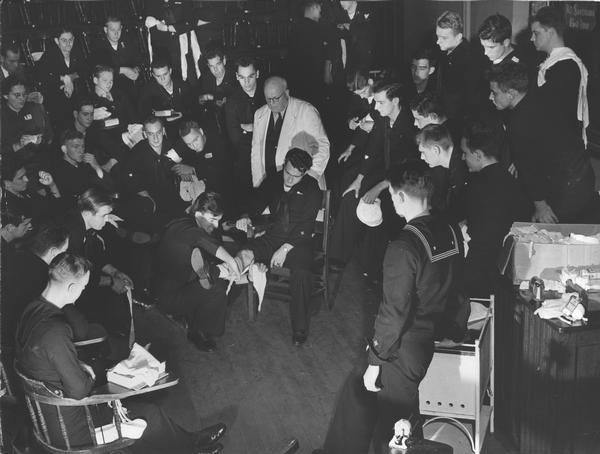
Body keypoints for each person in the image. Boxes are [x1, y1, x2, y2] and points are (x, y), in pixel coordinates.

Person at [314, 160, 467, 454]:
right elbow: (458, 287)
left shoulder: (403, 246)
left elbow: (393, 312)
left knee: (394, 430)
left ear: (398, 198)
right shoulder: (448, 228)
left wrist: (375, 360)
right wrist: (455, 328)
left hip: (400, 349)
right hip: (424, 341)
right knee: (357, 397)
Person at [15, 252, 227, 454]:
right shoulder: (56, 332)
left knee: (145, 411)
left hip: (50, 418)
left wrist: (77, 366)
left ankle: (188, 443)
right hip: (73, 430)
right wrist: (87, 374)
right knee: (149, 414)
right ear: (71, 287)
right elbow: (79, 390)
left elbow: (47, 359)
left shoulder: (31, 309)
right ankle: (191, 447)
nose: (82, 293)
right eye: (83, 287)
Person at [488, 62, 597, 223]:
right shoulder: (540, 98)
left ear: (511, 93)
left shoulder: (518, 121)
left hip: (565, 188)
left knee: (555, 233)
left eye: (494, 93)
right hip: (583, 176)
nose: (490, 97)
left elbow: (528, 168)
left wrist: (541, 206)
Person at [329, 82, 417, 276]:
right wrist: (359, 180)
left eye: (380, 102)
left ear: (395, 101)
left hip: (403, 179)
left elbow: (406, 166)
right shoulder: (381, 116)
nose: (375, 107)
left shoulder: (410, 123)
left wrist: (377, 189)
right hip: (382, 171)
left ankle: (372, 268)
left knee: (379, 209)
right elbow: (373, 148)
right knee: (351, 196)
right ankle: (338, 256)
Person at [237, 148, 322, 346]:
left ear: (305, 173)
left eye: (296, 176)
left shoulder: (312, 188)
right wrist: (245, 215)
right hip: (273, 237)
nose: (290, 179)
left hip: (298, 242)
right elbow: (256, 202)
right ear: (284, 165)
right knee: (245, 252)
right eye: (287, 173)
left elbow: (307, 225)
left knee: (301, 272)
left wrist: (284, 249)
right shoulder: (274, 179)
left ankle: (300, 329)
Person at [155, 192, 240, 352]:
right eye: (213, 219)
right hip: (170, 297)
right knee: (217, 287)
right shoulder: (184, 228)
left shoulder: (193, 223)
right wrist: (229, 263)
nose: (216, 225)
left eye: (218, 220)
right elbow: (201, 242)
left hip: (186, 280)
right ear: (199, 213)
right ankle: (199, 331)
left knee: (226, 279)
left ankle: (198, 315)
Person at [460, 118, 530, 298]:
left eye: (465, 153)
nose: (462, 158)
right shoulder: (513, 182)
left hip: (482, 268)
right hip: (509, 267)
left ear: (477, 154)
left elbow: (480, 234)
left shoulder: (477, 186)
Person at [251, 76, 330, 190]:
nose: (272, 103)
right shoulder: (259, 114)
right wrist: (258, 187)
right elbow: (256, 156)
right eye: (268, 99)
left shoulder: (306, 111)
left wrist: (308, 179)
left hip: (301, 185)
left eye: (276, 98)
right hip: (271, 185)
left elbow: (322, 147)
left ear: (287, 93)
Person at [531, 6, 590, 148]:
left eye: (535, 33)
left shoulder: (566, 66)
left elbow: (552, 113)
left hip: (559, 143)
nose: (532, 38)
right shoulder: (554, 62)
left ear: (550, 32)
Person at [224, 56, 265, 212]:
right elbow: (236, 139)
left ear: (258, 74)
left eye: (250, 77)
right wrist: (262, 128)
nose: (246, 83)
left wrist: (251, 127)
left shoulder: (268, 93)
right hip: (245, 157)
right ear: (236, 77)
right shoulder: (232, 102)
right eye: (241, 77)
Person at [435, 11, 485, 122]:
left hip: (460, 123)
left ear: (458, 37)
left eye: (444, 38)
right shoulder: (444, 52)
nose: (438, 41)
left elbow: (471, 100)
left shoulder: (470, 60)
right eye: (437, 36)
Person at [36, 28, 87, 134]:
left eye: (70, 40)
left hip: (75, 94)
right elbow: (42, 77)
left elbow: (85, 70)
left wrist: (71, 77)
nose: (68, 44)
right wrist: (63, 79)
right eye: (64, 40)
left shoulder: (77, 52)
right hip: (55, 98)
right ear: (56, 41)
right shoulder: (49, 55)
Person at [416, 123, 468, 225]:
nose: (422, 157)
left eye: (423, 152)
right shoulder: (450, 165)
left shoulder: (462, 172)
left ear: (436, 150)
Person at [52, 129, 115, 206]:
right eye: (76, 147)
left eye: (82, 146)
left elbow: (109, 186)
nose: (81, 151)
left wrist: (96, 167)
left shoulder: (83, 165)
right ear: (64, 149)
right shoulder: (59, 171)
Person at [91, 15, 144, 107]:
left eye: (118, 30)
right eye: (112, 30)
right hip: (111, 87)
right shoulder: (98, 46)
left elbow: (139, 61)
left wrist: (136, 70)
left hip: (132, 85)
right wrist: (124, 70)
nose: (116, 34)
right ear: (105, 29)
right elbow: (100, 70)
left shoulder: (128, 41)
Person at [287, 0, 331, 108]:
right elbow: (322, 55)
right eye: (319, 10)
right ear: (314, 7)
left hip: (297, 80)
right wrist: (326, 73)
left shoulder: (294, 28)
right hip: (314, 80)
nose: (320, 14)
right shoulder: (317, 29)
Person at [1, 75, 53, 163]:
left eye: (24, 94)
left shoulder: (36, 109)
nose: (22, 98)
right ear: (6, 96)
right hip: (12, 167)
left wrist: (39, 140)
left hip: (38, 161)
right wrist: (18, 145)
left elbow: (50, 137)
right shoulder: (2, 116)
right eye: (17, 95)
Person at [197, 44, 236, 137]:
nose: (216, 70)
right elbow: (198, 100)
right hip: (212, 124)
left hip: (232, 123)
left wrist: (211, 97)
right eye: (211, 66)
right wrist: (202, 98)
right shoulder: (206, 77)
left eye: (218, 64)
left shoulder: (235, 77)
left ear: (224, 61)